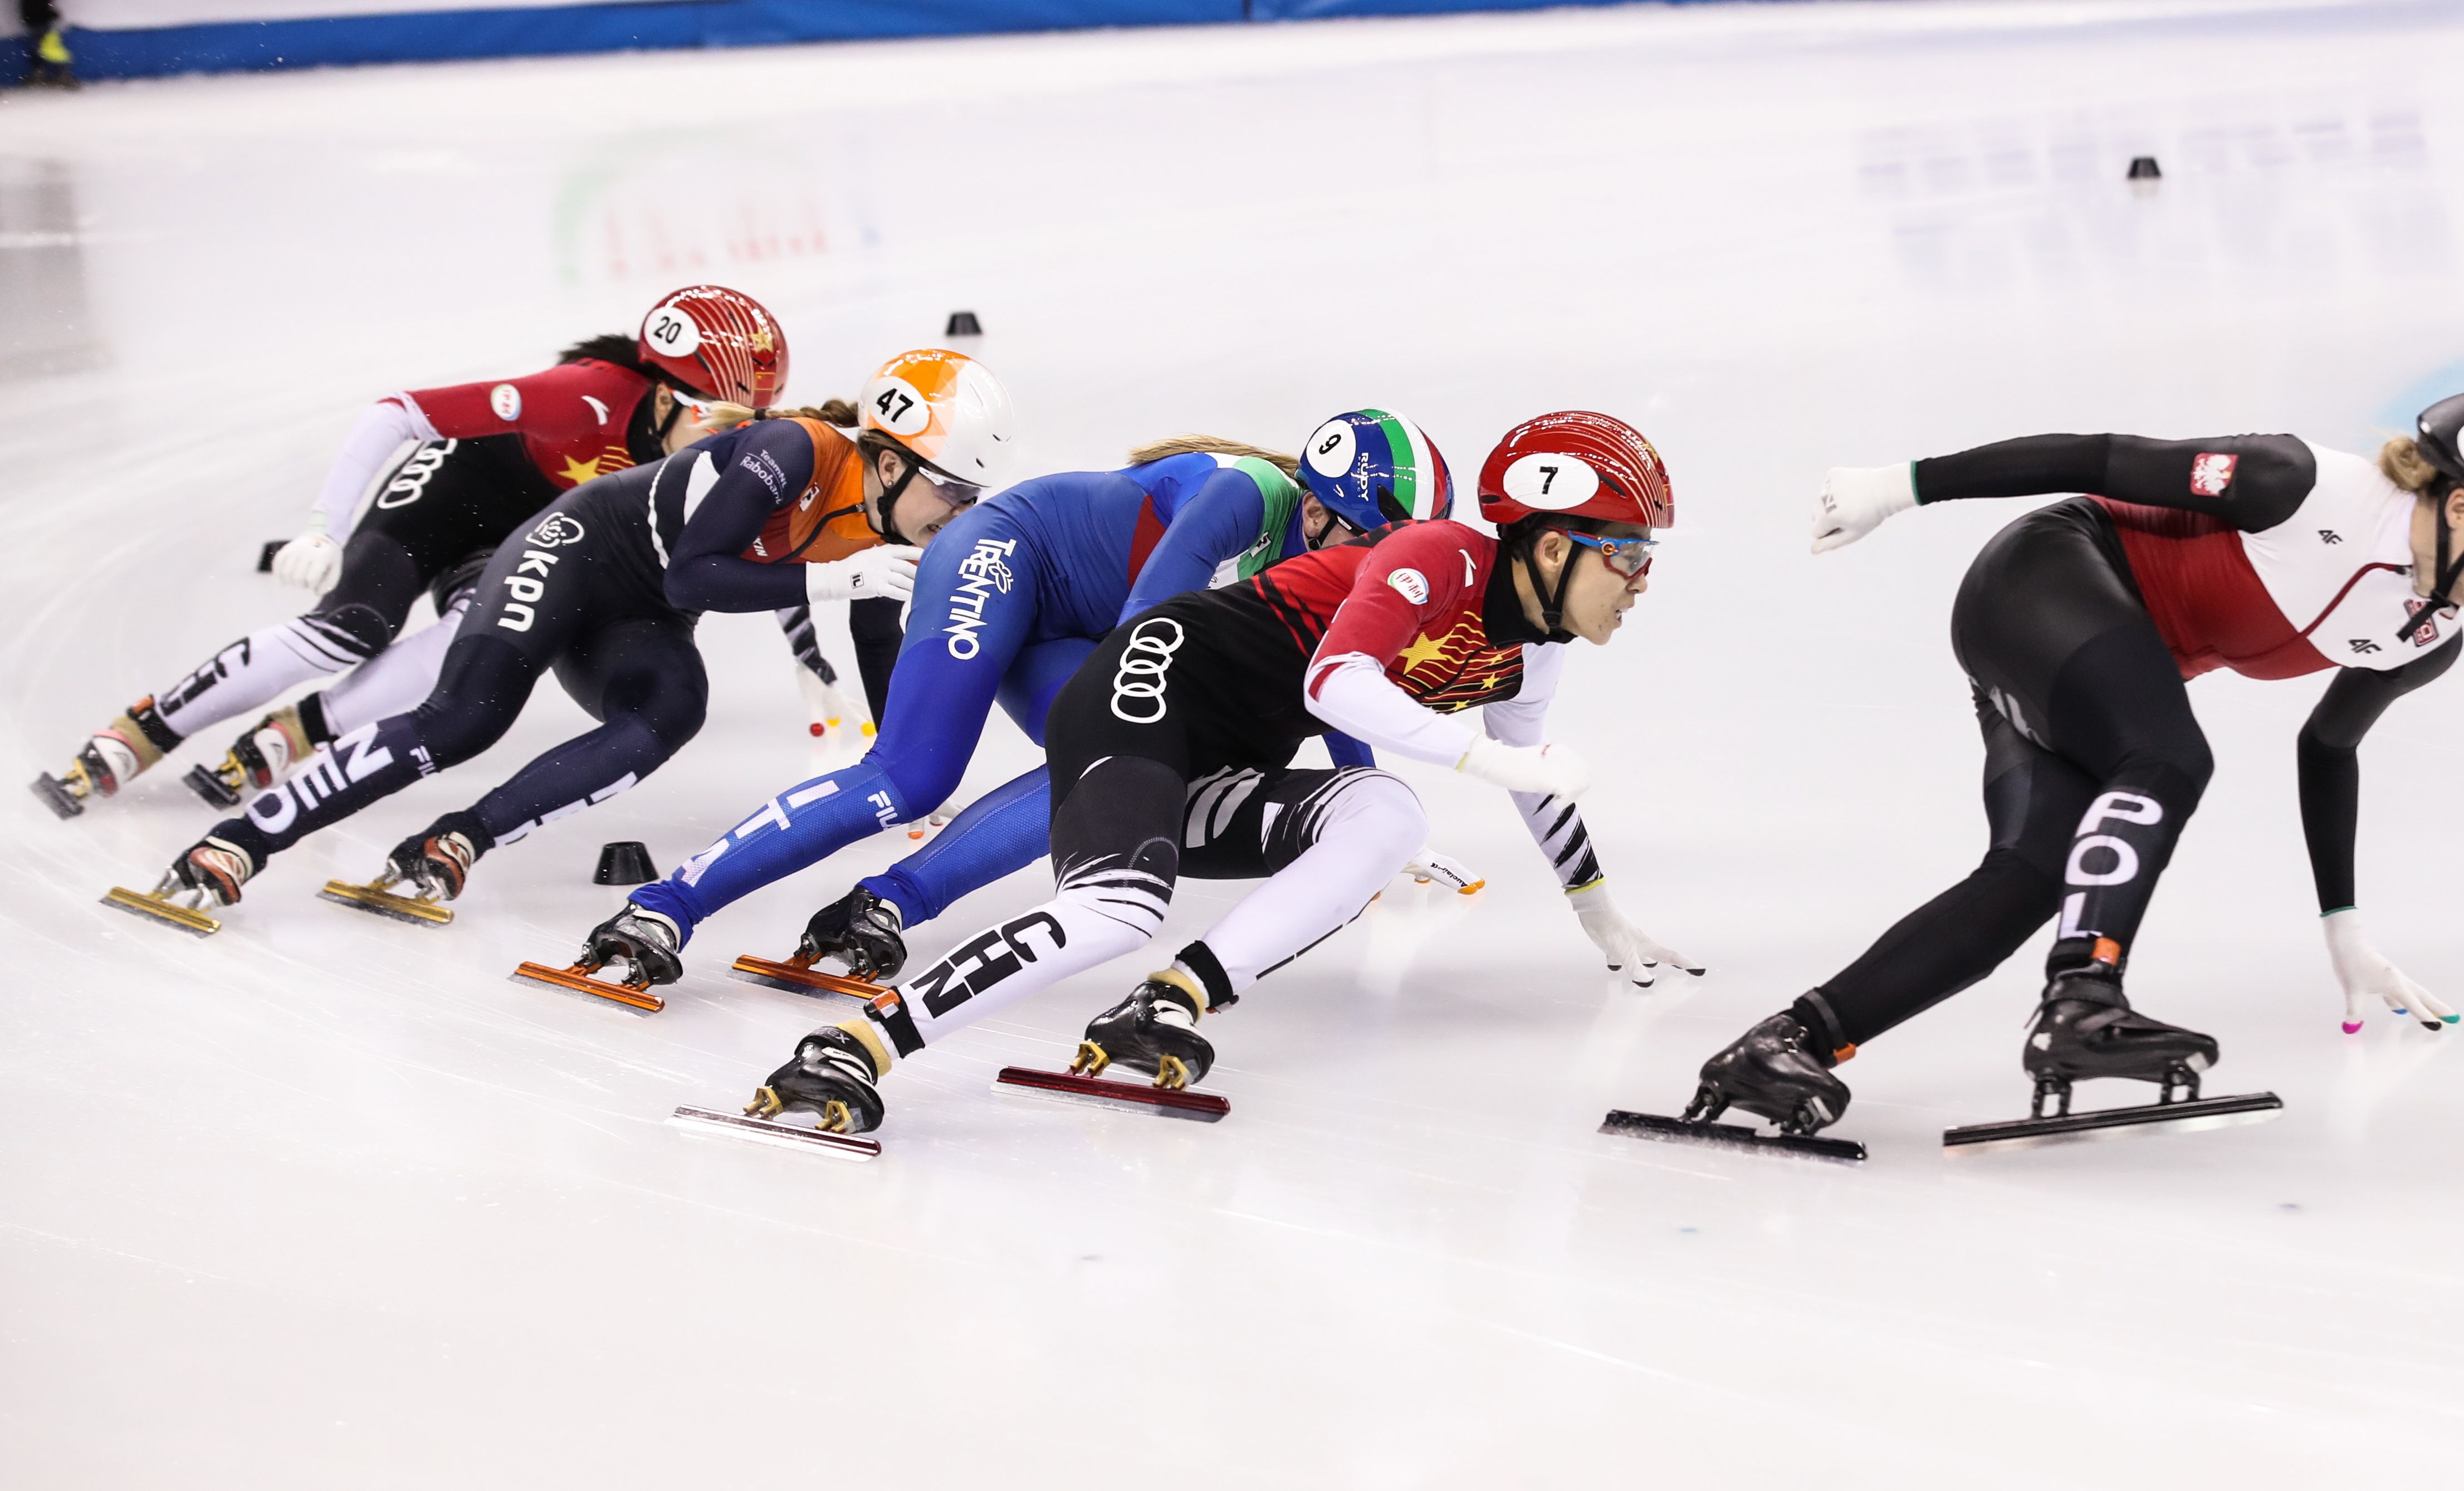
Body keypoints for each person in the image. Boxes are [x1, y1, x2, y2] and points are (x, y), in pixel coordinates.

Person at [744, 409, 1698, 1138]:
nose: (1642, 580)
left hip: (1225, 750)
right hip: (1141, 687)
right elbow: (1337, 678)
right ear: (1548, 543)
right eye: (1627, 554)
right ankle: (858, 1044)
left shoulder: (1534, 649)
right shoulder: (1433, 556)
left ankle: (1169, 1001)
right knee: (1117, 907)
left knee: (1385, 817)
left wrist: (1596, 911)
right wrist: (1482, 754)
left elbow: (1534, 781)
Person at [1685, 389, 2464, 1139]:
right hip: (2043, 578)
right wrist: (1904, 484)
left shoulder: (2422, 638)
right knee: (2167, 755)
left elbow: (2327, 746)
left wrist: (2342, 924)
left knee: (2030, 873)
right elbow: (2102, 454)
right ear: (2457, 506)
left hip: (2080, 666)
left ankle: (1789, 1041)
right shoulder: (2298, 482)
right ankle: (2083, 995)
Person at [574, 409, 1458, 992]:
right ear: (1318, 514)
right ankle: (666, 905)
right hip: (1007, 556)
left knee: (1105, 773)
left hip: (1080, 621)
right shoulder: (1245, 494)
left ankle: (884, 902)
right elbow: (1155, 614)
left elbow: (1336, 685)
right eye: (1374, 547)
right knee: (911, 777)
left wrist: (1354, 813)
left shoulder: (1328, 554)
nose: (1378, 573)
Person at [135, 346, 1006, 920]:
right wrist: (832, 577)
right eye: (952, 492)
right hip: (573, 553)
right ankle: (240, 841)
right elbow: (692, 572)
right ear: (888, 460)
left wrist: (907, 764)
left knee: (670, 708)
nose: (958, 514)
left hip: (638, 613)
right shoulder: (790, 449)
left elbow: (878, 647)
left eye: (970, 499)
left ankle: (457, 838)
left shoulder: (889, 526)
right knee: (464, 719)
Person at [34, 286, 786, 819]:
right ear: (660, 393)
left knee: (470, 641)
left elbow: (767, 542)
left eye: (747, 421)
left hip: (527, 532)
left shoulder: (717, 454)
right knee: (348, 629)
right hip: (447, 491)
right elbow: (399, 413)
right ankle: (144, 728)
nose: (729, 436)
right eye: (712, 415)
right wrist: (324, 527)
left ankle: (298, 732)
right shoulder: (582, 395)